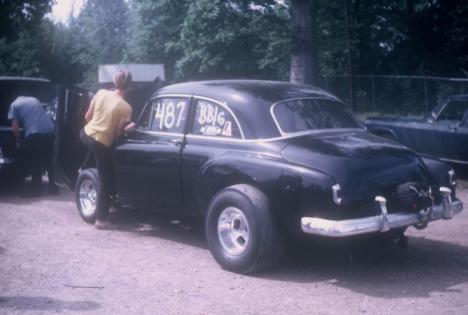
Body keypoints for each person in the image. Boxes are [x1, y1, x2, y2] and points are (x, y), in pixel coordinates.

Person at [80, 70, 135, 229]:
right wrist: (129, 127)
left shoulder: (101, 92)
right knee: (106, 180)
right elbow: (118, 134)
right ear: (129, 86)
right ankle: (100, 220)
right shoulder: (126, 108)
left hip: (85, 134)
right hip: (101, 143)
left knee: (96, 149)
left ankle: (82, 168)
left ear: (114, 82)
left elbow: (87, 116)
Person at [8, 96, 58, 197]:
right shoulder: (34, 100)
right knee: (49, 160)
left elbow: (15, 127)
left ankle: (36, 190)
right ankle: (53, 188)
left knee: (35, 162)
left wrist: (18, 141)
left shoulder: (14, 105)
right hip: (50, 131)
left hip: (34, 133)